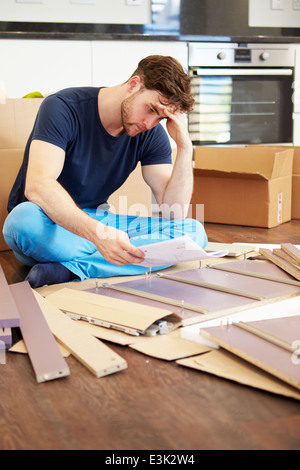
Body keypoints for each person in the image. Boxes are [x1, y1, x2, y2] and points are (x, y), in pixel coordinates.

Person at [3, 55, 207, 288]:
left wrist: (184, 147)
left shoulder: (149, 132)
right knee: (21, 221)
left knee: (193, 232)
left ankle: (72, 269)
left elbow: (175, 213)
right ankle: (115, 255)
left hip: (97, 220)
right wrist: (99, 236)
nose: (150, 123)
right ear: (133, 84)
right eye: (150, 109)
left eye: (160, 118)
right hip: (47, 223)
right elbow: (38, 186)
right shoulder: (63, 107)